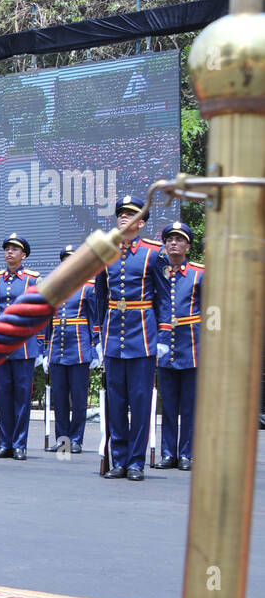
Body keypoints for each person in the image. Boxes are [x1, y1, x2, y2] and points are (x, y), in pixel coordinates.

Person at [96, 195, 170, 481]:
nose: (123, 218)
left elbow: (164, 298)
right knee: (116, 401)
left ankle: (136, 462)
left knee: (139, 401)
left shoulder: (154, 253)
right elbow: (102, 297)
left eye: (130, 214)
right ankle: (120, 459)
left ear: (141, 222)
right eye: (121, 214)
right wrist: (99, 337)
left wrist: (162, 335)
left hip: (143, 335)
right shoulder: (107, 253)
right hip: (114, 335)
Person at [0, 234, 41, 461]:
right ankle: (5, 443)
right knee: (4, 396)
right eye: (7, 248)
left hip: (24, 346)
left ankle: (20, 443)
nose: (9, 252)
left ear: (23, 255)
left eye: (14, 249)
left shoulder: (32, 280)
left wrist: (40, 345)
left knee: (22, 397)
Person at [155, 221, 202, 471]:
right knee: (169, 405)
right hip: (164, 347)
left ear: (188, 246)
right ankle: (167, 453)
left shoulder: (199, 273)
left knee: (190, 405)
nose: (174, 243)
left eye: (179, 239)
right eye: (169, 239)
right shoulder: (157, 273)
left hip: (192, 346)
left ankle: (186, 453)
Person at [46, 244, 99, 455]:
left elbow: (94, 320)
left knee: (78, 400)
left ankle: (76, 439)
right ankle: (63, 440)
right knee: (59, 399)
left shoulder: (88, 287)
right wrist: (45, 351)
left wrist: (95, 349)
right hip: (57, 349)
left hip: (79, 348)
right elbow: (48, 322)